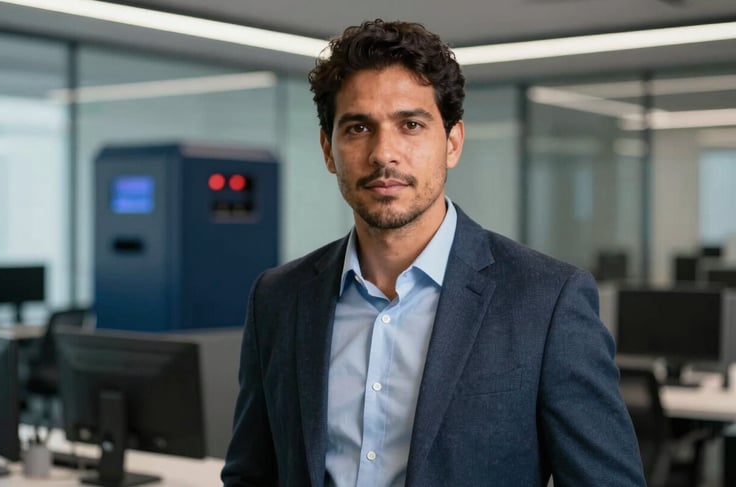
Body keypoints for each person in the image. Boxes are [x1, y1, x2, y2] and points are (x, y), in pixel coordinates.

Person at [221, 19, 645, 487]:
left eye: (411, 125)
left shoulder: (546, 301)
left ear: (452, 143)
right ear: (328, 149)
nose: (385, 153)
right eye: (359, 127)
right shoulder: (278, 298)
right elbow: (250, 474)